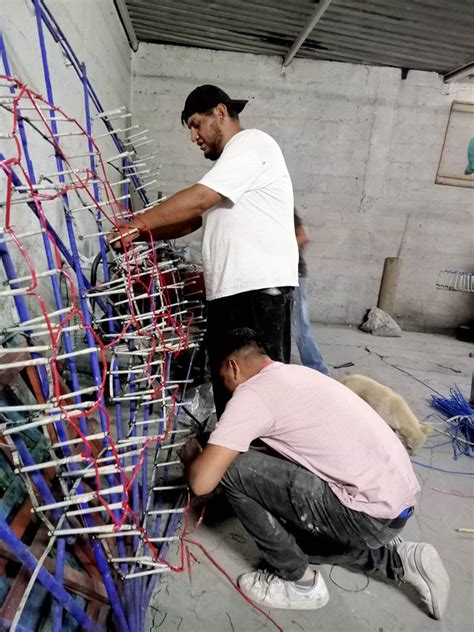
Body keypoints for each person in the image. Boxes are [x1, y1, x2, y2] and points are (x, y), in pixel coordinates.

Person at [178, 328, 450, 617]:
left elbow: (201, 483)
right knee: (302, 543)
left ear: (233, 367)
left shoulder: (251, 395)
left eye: (223, 379)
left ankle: (300, 582)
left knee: (232, 470)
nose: (227, 388)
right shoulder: (296, 374)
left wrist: (195, 457)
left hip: (371, 516)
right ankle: (402, 559)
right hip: (397, 503)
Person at [110, 85, 298, 417]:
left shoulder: (252, 144)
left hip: (256, 294)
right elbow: (190, 220)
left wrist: (136, 224)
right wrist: (138, 236)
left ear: (220, 113)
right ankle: (236, 459)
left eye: (196, 124)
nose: (193, 136)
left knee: (258, 398)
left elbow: (198, 200)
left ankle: (254, 463)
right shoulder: (231, 168)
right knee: (233, 391)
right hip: (235, 295)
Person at [293, 211, 329, 375]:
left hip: (294, 275)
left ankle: (319, 371)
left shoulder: (287, 209)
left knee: (300, 327)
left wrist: (276, 250)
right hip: (279, 276)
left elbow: (303, 236)